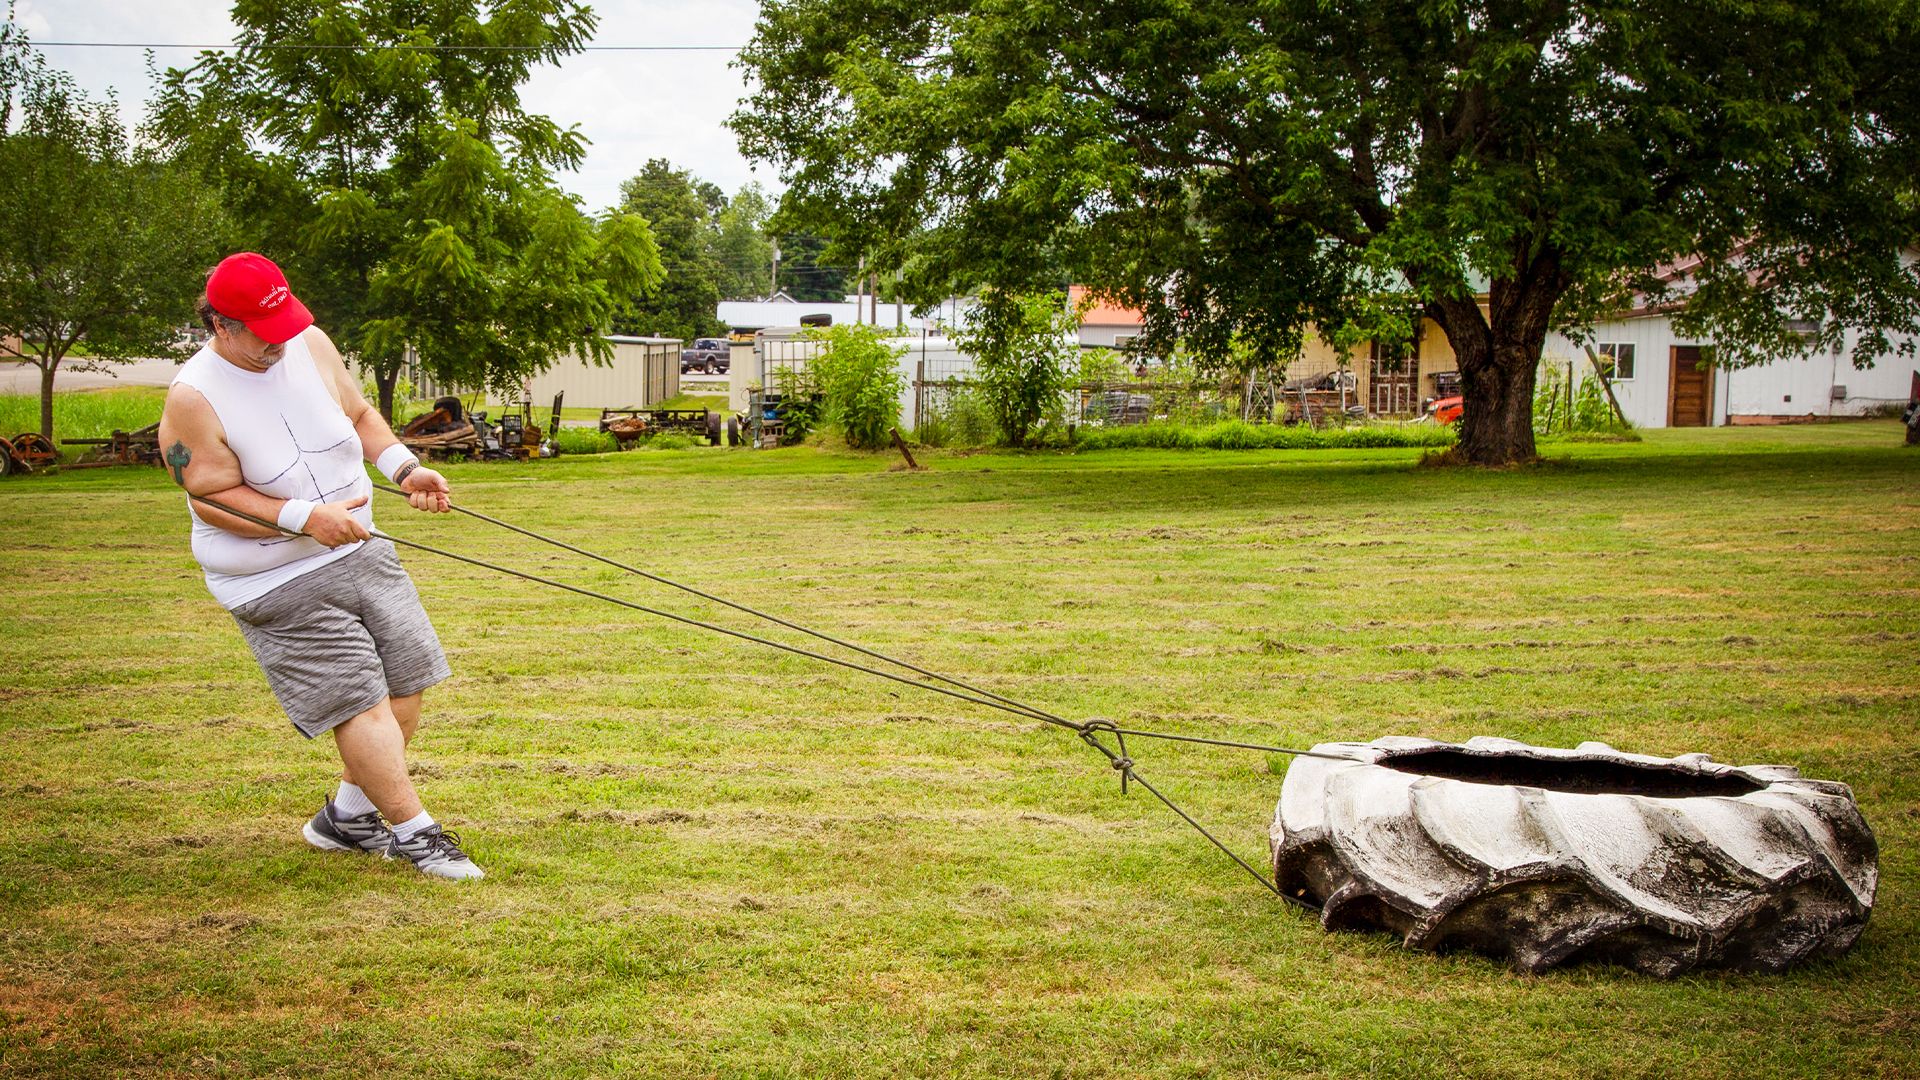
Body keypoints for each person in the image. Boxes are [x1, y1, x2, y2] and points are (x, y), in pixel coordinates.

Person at [157, 252, 482, 881]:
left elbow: (358, 415)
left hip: (359, 544)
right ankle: (419, 835)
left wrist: (407, 471)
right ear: (222, 325)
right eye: (264, 333)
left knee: (406, 682)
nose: (281, 342)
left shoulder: (306, 342)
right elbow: (209, 495)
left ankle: (345, 818)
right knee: (360, 702)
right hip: (272, 577)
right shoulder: (194, 397)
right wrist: (304, 518)